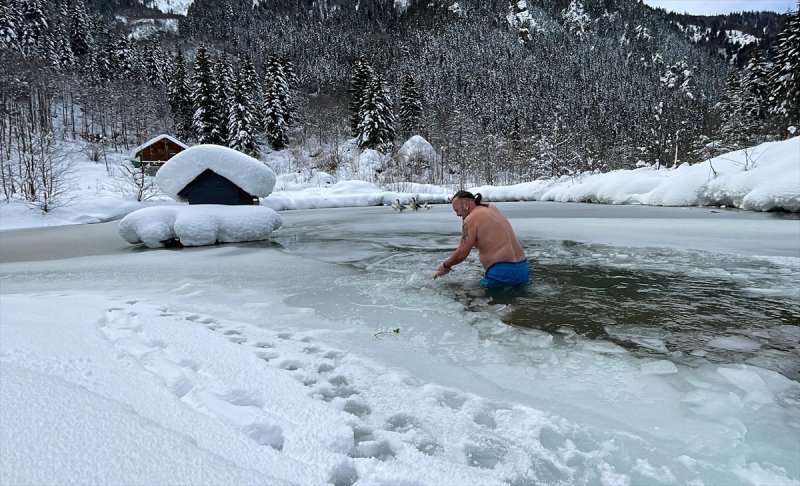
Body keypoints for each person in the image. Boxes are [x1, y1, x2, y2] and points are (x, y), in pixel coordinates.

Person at [432, 190, 529, 288]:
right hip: (523, 268)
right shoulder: (491, 207)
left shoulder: (471, 219)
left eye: (457, 210)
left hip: (501, 272)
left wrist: (446, 266)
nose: (457, 214)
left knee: (459, 293)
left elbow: (462, 253)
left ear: (466, 205)